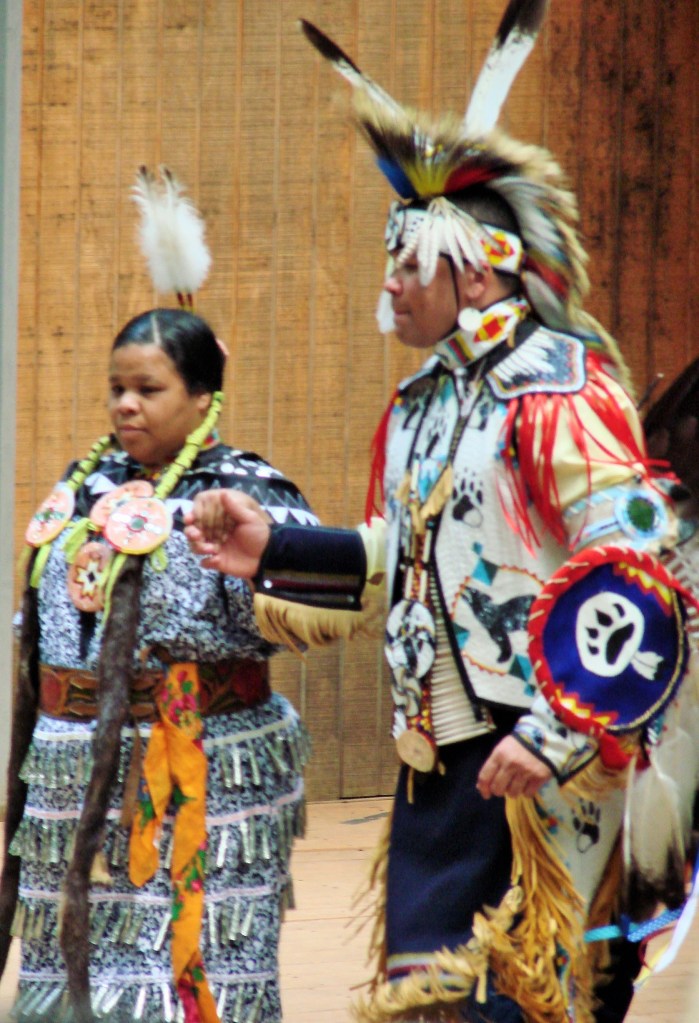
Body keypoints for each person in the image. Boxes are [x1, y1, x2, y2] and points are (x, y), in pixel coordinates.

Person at [184, 7, 699, 1023]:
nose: (388, 281)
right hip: (436, 767)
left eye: (406, 259)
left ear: (475, 263)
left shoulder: (557, 390)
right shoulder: (423, 406)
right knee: (428, 1006)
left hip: (539, 774)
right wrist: (273, 548)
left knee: (529, 1004)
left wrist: (556, 734)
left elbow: (646, 572)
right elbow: (402, 561)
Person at [0, 306, 318, 1023]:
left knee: (186, 960)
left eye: (148, 388)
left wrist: (243, 539)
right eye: (117, 387)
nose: (125, 403)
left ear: (204, 395)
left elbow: (312, 608)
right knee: (69, 962)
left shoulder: (249, 488)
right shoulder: (86, 483)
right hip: (72, 770)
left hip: (197, 768)